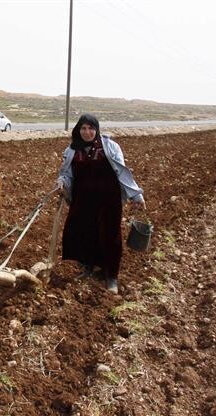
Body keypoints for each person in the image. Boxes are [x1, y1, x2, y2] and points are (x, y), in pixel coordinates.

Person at [55, 113, 145, 294]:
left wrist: (136, 195)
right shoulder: (72, 150)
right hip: (83, 200)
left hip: (108, 200)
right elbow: (67, 174)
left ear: (96, 130)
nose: (87, 132)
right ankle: (88, 267)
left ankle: (111, 275)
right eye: (83, 128)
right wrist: (61, 182)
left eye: (90, 128)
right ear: (78, 130)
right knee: (82, 232)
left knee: (110, 236)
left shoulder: (110, 147)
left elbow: (122, 172)